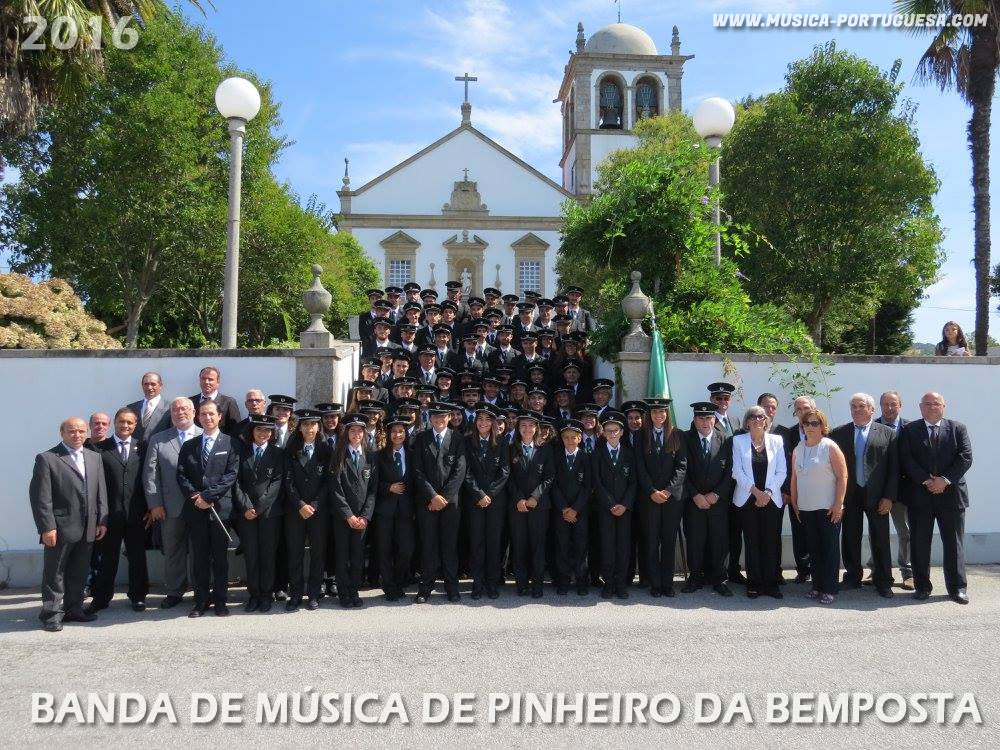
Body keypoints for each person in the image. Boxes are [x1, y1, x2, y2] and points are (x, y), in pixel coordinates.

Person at [29, 417, 109, 632]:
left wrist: (102, 519)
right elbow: (40, 497)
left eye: (82, 431)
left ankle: (74, 609)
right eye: (72, 431)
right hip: (60, 527)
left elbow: (100, 491)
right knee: (55, 573)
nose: (77, 435)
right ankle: (51, 614)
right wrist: (47, 527)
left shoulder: (94, 457)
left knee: (79, 571)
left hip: (89, 526)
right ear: (62, 432)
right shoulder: (47, 458)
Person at [899, 392, 973, 604]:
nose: (932, 407)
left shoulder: (958, 428)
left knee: (954, 544)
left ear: (944, 406)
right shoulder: (909, 430)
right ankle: (922, 586)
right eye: (927, 404)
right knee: (920, 544)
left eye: (936, 403)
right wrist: (926, 480)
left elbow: (965, 457)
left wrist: (945, 480)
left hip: (951, 496)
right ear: (920, 407)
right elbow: (906, 458)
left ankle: (957, 588)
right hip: (919, 497)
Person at [830, 393, 899, 597]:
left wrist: (889, 496)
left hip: (878, 496)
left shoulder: (888, 433)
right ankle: (852, 577)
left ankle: (883, 580)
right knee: (850, 537)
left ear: (871, 410)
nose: (857, 410)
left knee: (880, 538)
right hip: (850, 494)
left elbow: (894, 469)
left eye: (862, 406)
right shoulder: (839, 433)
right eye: (854, 406)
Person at [177, 400, 240, 617]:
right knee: (199, 558)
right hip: (196, 510)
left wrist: (208, 495)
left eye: (211, 414)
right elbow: (182, 475)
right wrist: (196, 497)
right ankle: (201, 601)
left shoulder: (231, 443)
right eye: (203, 414)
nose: (208, 418)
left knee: (220, 559)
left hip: (220, 510)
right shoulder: (189, 445)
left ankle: (221, 601)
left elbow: (231, 475)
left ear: (220, 416)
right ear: (198, 417)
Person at [88, 406, 150, 613]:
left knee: (137, 557)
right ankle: (101, 598)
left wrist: (150, 507)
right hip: (109, 514)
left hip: (136, 513)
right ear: (115, 423)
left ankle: (138, 596)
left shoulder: (143, 447)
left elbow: (147, 480)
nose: (125, 426)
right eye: (122, 422)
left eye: (130, 422)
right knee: (107, 558)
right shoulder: (100, 448)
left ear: (135, 425)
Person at [143, 397, 202, 609]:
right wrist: (154, 503)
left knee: (200, 550)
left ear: (194, 412)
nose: (180, 413)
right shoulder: (159, 439)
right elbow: (150, 475)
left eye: (185, 409)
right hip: (169, 506)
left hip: (200, 507)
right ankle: (175, 590)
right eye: (176, 409)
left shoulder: (205, 435)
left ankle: (201, 589)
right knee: (173, 550)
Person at [789, 408, 847, 605]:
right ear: (802, 426)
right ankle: (817, 585)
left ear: (822, 426)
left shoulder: (829, 446)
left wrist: (838, 504)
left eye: (815, 423)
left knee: (829, 549)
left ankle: (830, 588)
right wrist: (795, 503)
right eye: (807, 423)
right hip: (806, 508)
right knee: (813, 548)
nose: (810, 427)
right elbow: (794, 478)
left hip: (827, 507)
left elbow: (842, 477)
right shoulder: (798, 449)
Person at [413, 402, 467, 602]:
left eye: (442, 416)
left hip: (450, 504)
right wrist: (432, 496)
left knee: (449, 546)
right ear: (430, 418)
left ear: (449, 418)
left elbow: (460, 471)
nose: (438, 420)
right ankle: (425, 588)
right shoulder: (421, 439)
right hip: (427, 503)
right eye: (435, 416)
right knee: (428, 545)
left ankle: (452, 587)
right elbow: (417, 471)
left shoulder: (458, 439)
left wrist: (443, 498)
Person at [731, 405, 787, 599]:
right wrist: (756, 492)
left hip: (771, 499)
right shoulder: (738, 441)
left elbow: (782, 471)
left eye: (761, 417)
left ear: (767, 421)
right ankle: (753, 583)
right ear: (747, 422)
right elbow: (737, 472)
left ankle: (771, 584)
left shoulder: (777, 441)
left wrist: (768, 493)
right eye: (753, 417)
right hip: (747, 499)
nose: (757, 420)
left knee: (770, 542)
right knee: (752, 541)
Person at [233, 413, 285, 613]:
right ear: (252, 431)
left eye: (267, 430)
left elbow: (276, 483)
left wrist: (259, 507)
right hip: (246, 515)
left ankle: (266, 595)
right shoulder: (241, 451)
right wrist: (246, 507)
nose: (263, 433)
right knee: (251, 556)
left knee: (268, 555)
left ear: (271, 433)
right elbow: (236, 482)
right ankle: (253, 595)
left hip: (269, 514)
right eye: (259, 429)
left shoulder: (278, 453)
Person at [636, 398, 687, 598]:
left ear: (667, 414)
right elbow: (639, 466)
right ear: (649, 415)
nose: (659, 416)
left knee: (668, 541)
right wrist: (651, 491)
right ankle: (654, 583)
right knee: (651, 541)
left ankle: (667, 583)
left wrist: (668, 490)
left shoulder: (677, 435)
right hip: (649, 498)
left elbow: (682, 466)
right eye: (655, 412)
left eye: (663, 412)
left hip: (671, 499)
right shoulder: (641, 435)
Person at [683, 402, 733, 597]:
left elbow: (730, 471)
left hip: (717, 501)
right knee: (695, 540)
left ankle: (719, 579)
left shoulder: (725, 439)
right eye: (701, 418)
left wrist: (716, 494)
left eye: (708, 417)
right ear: (695, 420)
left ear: (714, 419)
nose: (705, 422)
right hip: (693, 500)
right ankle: (695, 578)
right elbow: (682, 470)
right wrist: (695, 494)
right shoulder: (686, 439)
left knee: (719, 541)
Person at [285, 408, 332, 611]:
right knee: (295, 554)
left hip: (318, 511)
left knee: (317, 554)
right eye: (305, 425)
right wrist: (300, 504)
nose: (309, 428)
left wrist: (314, 505)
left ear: (318, 426)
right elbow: (287, 480)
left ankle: (313, 594)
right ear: (300, 427)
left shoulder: (326, 449)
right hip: (295, 510)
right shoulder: (291, 447)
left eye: (313, 424)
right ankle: (295, 595)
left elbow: (329, 482)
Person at [329, 413, 378, 608]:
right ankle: (343, 593)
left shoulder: (371, 456)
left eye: (360, 430)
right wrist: (348, 515)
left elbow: (373, 489)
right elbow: (335, 489)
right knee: (342, 556)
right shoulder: (338, 454)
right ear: (346, 433)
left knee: (357, 557)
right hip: (343, 517)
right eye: (352, 430)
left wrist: (365, 515)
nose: (356, 434)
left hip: (362, 519)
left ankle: (354, 591)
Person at [462, 404, 510, 599]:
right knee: (477, 543)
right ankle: (477, 583)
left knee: (493, 543)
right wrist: (479, 494)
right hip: (474, 501)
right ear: (475, 422)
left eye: (487, 419)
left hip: (495, 502)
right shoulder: (466, 441)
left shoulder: (502, 442)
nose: (483, 423)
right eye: (480, 419)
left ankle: (492, 584)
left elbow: (505, 471)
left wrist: (489, 494)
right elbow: (465, 472)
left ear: (493, 423)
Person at [507, 410, 554, 598]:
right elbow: (507, 476)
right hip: (517, 505)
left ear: (536, 428)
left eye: (531, 425)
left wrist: (535, 497)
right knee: (519, 546)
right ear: (518, 428)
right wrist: (518, 498)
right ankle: (521, 583)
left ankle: (537, 584)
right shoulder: (510, 448)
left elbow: (549, 477)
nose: (527, 429)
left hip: (539, 506)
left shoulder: (545, 449)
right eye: (523, 425)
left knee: (538, 545)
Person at [872, 390, 913, 590]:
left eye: (893, 404)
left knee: (904, 532)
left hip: (903, 491)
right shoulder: (872, 427)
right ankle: (875, 569)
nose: (889, 408)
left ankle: (908, 572)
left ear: (900, 405)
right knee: (876, 532)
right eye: (885, 404)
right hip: (877, 491)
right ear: (880, 406)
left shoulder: (911, 428)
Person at [592, 411, 635, 599]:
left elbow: (634, 482)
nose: (612, 434)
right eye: (608, 431)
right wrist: (610, 503)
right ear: (603, 432)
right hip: (605, 508)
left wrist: (624, 504)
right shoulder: (597, 453)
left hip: (625, 509)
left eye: (615, 430)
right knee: (607, 545)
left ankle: (621, 583)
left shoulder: (629, 453)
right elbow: (596, 481)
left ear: (622, 432)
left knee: (623, 546)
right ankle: (608, 582)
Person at [374, 418, 417, 602]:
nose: (397, 434)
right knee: (384, 550)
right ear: (389, 434)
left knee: (406, 549)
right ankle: (389, 586)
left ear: (406, 434)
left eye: (401, 431)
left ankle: (399, 582)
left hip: (406, 511)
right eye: (394, 431)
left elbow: (417, 482)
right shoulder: (379, 455)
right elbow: (372, 483)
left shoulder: (413, 454)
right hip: (385, 510)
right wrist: (388, 488)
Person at [551, 419, 592, 596]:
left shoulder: (586, 458)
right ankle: (564, 580)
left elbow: (588, 486)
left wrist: (575, 509)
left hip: (580, 511)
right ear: (561, 438)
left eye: (573, 437)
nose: (569, 440)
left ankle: (582, 581)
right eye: (566, 437)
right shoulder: (556, 457)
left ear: (579, 439)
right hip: (561, 511)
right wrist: (564, 508)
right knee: (562, 546)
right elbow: (553, 484)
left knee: (581, 546)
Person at [190, 366, 242, 435]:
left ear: (218, 382)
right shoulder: (190, 402)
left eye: (210, 379)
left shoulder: (229, 402)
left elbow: (236, 430)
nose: (206, 382)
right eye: (203, 379)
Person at [128, 371, 171, 443]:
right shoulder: (131, 408)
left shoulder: (170, 408)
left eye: (153, 384)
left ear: (160, 385)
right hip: (134, 452)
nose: (149, 387)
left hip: (158, 450)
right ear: (142, 386)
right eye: (146, 384)